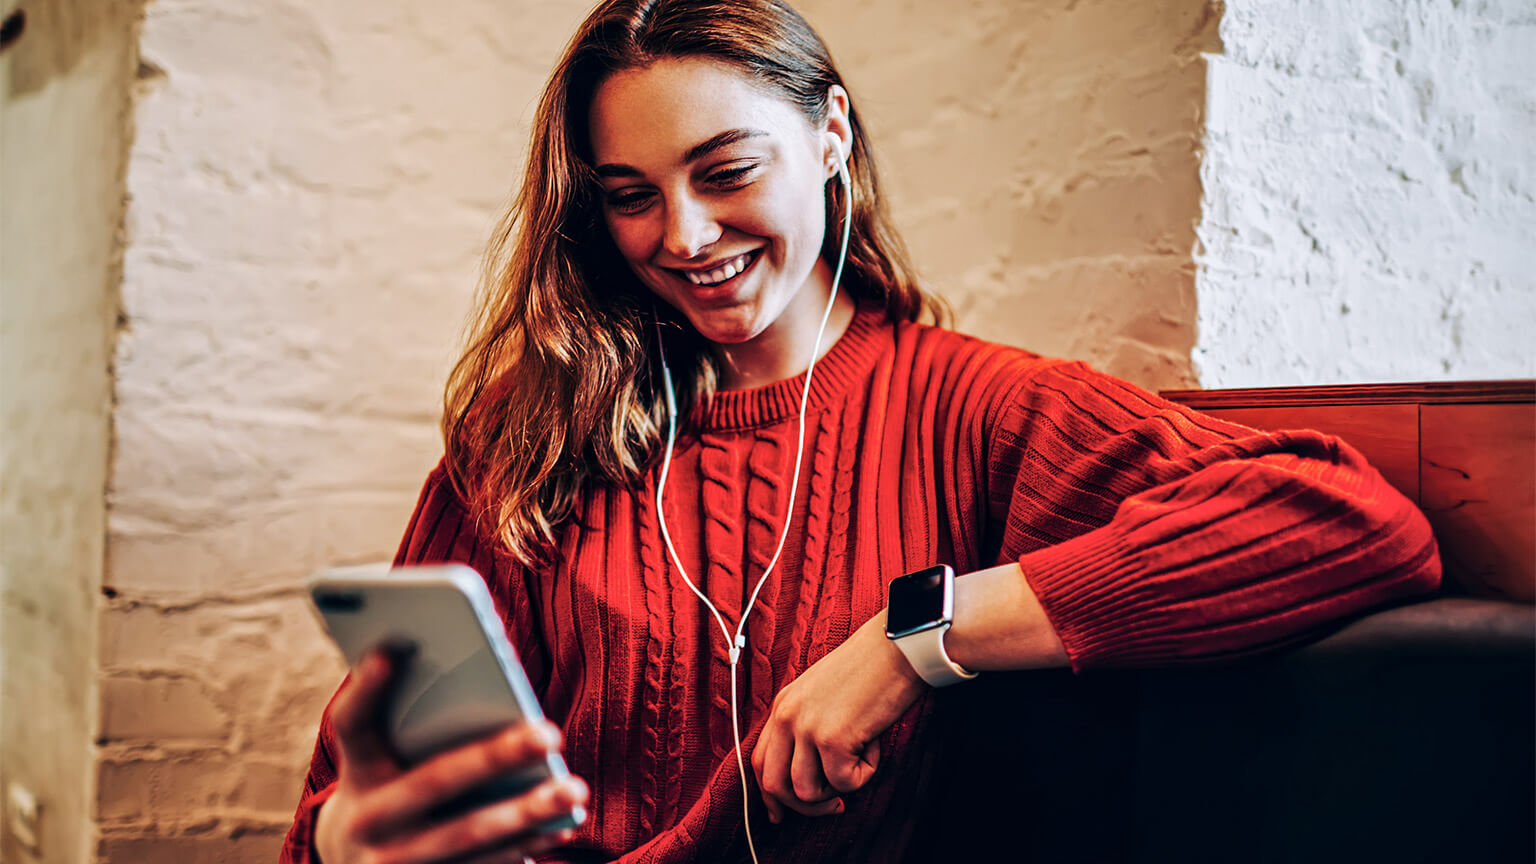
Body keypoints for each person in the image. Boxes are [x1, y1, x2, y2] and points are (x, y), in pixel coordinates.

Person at [280, 0, 1442, 861]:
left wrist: (913, 638)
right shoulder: (530, 436)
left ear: (830, 136)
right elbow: (337, 808)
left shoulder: (971, 409)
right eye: (630, 195)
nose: (683, 236)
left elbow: (1355, 524)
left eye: (725, 169)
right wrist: (350, 841)